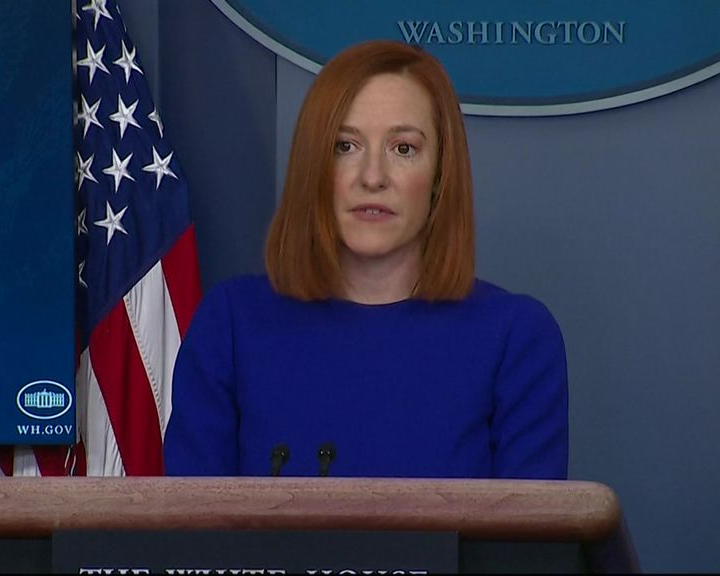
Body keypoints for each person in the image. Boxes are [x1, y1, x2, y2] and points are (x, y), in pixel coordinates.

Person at [163, 40, 568, 479]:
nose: (373, 177)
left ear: (440, 175)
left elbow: (529, 525)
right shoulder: (231, 324)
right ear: (314, 167)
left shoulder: (516, 339)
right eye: (345, 146)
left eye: (403, 149)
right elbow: (191, 520)